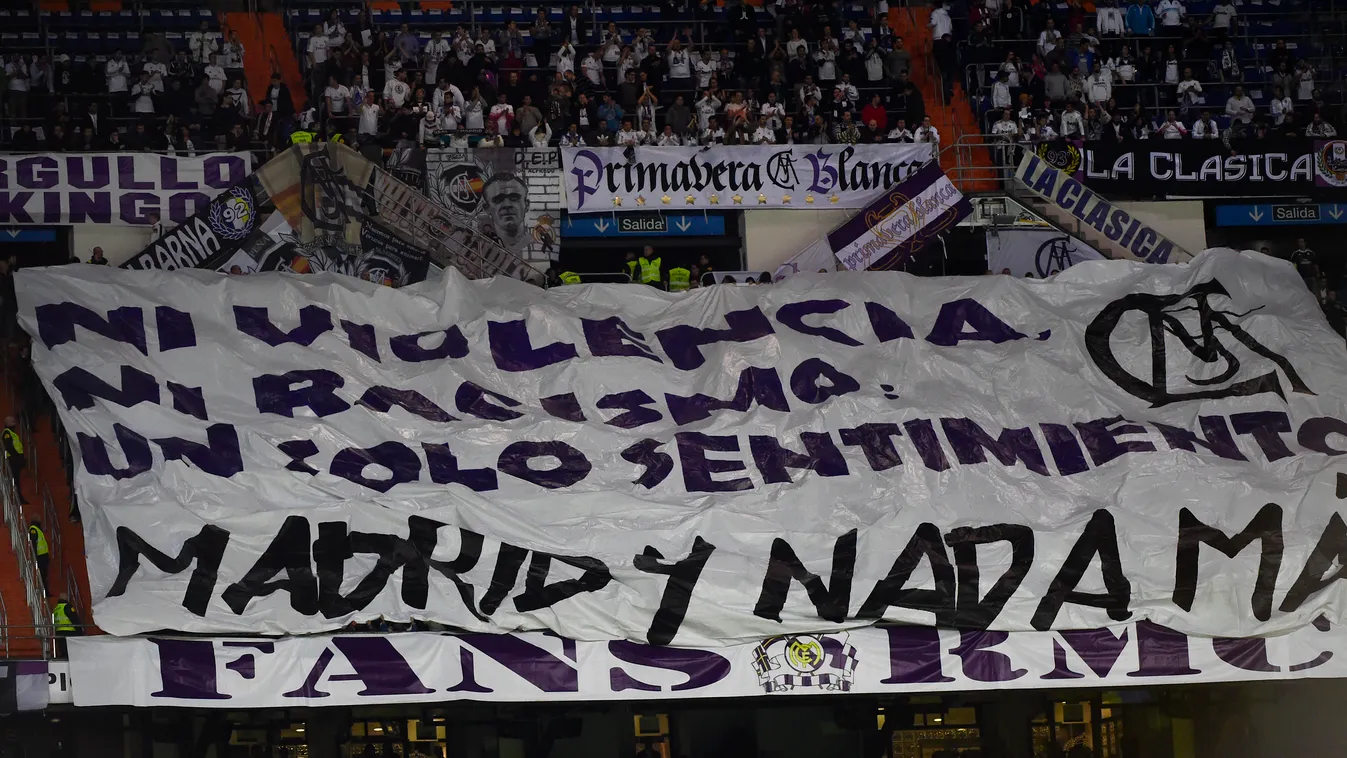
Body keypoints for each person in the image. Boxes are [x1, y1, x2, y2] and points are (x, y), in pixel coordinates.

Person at [482, 174, 530, 255]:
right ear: (486, 208)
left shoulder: (540, 246)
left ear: (527, 205)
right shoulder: (480, 249)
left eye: (514, 197)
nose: (507, 204)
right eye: (498, 199)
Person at [3, 418, 26, 504]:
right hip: (13, 460)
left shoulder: (11, 433)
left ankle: (19, 498)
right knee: (15, 480)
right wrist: (16, 456)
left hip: (16, 459)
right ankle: (18, 498)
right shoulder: (7, 433)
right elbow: (9, 446)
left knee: (16, 480)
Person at [28, 520, 48, 591]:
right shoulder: (33, 529)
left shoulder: (38, 529)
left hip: (43, 555)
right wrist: (35, 556)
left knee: (44, 574)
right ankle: (43, 591)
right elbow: (33, 543)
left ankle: (45, 591)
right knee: (42, 574)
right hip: (40, 556)